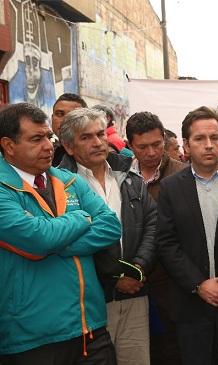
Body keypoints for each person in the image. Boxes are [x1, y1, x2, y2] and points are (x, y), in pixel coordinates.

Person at [0, 103, 121, 364]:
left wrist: (58, 245)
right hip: (33, 337)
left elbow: (111, 226)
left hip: (91, 327)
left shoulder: (69, 180)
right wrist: (81, 217)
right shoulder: (2, 187)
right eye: (36, 139)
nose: (47, 146)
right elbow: (37, 238)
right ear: (8, 146)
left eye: (48, 137)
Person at [156, 106, 218, 365]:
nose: (209, 145)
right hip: (191, 304)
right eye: (200, 139)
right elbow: (167, 243)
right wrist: (199, 284)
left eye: (214, 137)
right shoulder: (170, 187)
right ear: (186, 145)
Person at [57, 108, 157, 365]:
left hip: (135, 293)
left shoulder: (130, 177)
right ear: (69, 147)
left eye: (100, 134)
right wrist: (114, 280)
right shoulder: (60, 186)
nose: (97, 142)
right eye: (86, 137)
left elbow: (152, 225)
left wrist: (137, 269)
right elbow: (69, 241)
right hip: (90, 300)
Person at [125, 111, 185, 365]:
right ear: (129, 146)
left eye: (157, 144)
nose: (151, 152)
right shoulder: (119, 175)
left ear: (164, 138)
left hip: (170, 281)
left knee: (171, 349)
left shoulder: (184, 175)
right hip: (129, 280)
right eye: (142, 147)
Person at [51, 93, 87, 166]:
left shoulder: (94, 154)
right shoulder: (48, 153)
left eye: (73, 115)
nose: (65, 120)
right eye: (60, 114)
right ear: (52, 118)